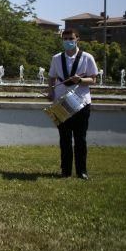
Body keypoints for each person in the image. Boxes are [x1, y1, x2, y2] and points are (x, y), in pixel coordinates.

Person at [47, 28, 98, 180]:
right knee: (64, 139)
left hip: (81, 102)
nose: (68, 41)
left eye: (71, 38)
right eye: (65, 39)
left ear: (77, 39)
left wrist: (81, 80)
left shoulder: (87, 57)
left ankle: (82, 171)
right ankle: (65, 170)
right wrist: (50, 92)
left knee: (80, 138)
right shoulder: (56, 58)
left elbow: (93, 79)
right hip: (62, 102)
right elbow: (51, 77)